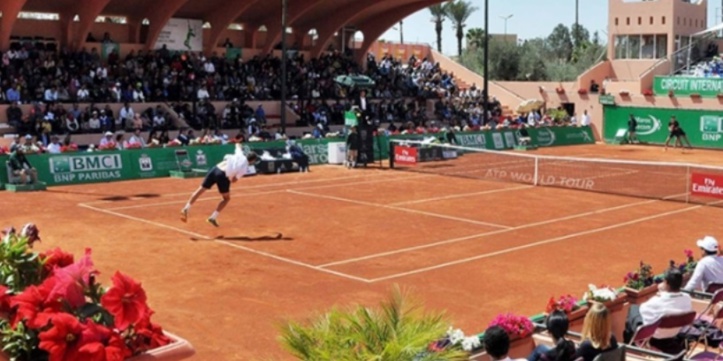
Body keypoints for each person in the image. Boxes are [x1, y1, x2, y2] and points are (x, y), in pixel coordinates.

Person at [180, 144, 258, 227]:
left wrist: (239, 144)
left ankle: (186, 208)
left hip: (215, 169)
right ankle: (212, 218)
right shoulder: (245, 168)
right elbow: (234, 180)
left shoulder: (239, 154)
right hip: (223, 176)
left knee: (201, 189)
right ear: (252, 161)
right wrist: (230, 177)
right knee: (226, 199)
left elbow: (237, 145)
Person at [624, 267, 692, 353]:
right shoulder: (687, 298)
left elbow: (642, 311)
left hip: (655, 339)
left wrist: (661, 293)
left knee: (633, 309)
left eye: (664, 281)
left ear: (666, 283)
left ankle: (630, 347)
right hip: (674, 334)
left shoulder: (656, 302)